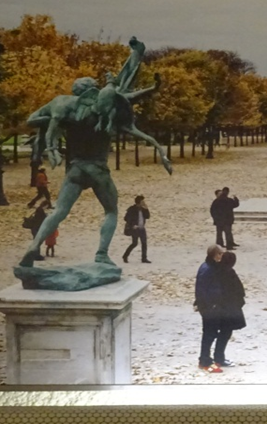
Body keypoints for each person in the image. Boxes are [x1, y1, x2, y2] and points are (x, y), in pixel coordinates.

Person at [19, 36, 171, 268]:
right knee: (111, 211)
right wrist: (137, 55)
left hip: (76, 169)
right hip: (98, 169)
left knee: (59, 211)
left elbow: (31, 120)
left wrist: (53, 120)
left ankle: (33, 246)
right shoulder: (104, 108)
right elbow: (130, 90)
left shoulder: (66, 107)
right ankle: (101, 254)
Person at [194, 244, 228, 373]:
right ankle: (204, 360)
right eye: (220, 254)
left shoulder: (211, 267)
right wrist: (207, 304)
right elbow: (201, 289)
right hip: (209, 307)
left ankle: (205, 359)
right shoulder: (207, 269)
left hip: (212, 305)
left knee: (211, 333)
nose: (221, 256)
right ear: (214, 254)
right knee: (209, 334)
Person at [213, 251, 247, 367]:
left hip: (220, 307)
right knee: (225, 333)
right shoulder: (228, 272)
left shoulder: (216, 270)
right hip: (229, 308)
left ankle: (216, 357)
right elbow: (238, 290)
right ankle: (219, 357)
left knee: (221, 333)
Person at [122, 195, 151, 263]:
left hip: (142, 228)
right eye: (142, 201)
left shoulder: (143, 209)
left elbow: (147, 217)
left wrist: (146, 209)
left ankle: (144, 258)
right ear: (139, 202)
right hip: (135, 229)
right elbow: (126, 218)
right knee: (134, 243)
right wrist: (133, 225)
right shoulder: (132, 209)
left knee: (144, 243)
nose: (144, 202)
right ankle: (125, 256)